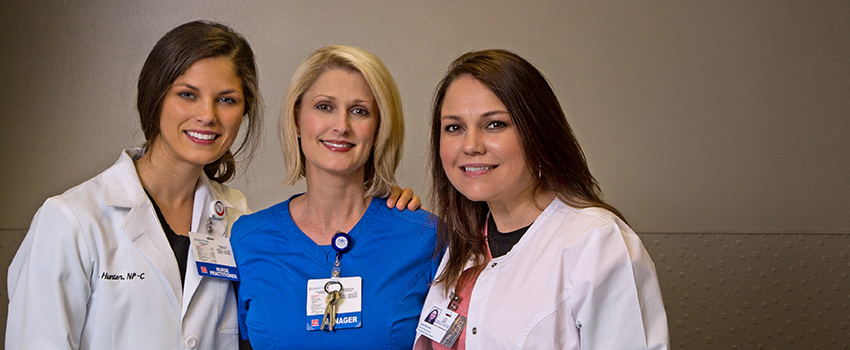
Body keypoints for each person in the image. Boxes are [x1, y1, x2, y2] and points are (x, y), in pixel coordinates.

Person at [5, 21, 418, 349]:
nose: (208, 115)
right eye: (187, 94)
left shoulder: (239, 219)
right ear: (155, 97)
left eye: (227, 99)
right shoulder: (72, 221)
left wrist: (391, 209)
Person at [414, 50, 669, 349]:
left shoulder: (596, 242)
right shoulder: (463, 243)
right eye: (454, 128)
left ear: (538, 131)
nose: (470, 145)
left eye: (495, 124)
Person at [231, 45, 440, 349]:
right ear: (297, 118)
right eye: (325, 107)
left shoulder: (426, 237)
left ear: (379, 127)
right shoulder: (247, 239)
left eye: (360, 111)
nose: (341, 126)